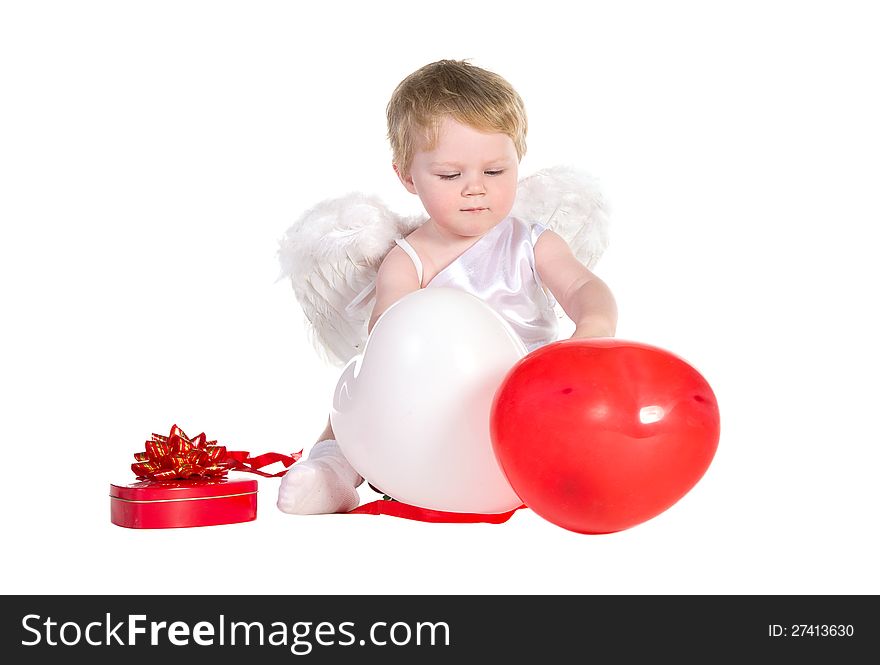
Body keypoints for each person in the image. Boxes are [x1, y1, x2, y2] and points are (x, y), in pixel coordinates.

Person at [277, 59, 618, 515]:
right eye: (450, 176)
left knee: (588, 419)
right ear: (407, 177)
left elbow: (583, 286)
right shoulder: (406, 259)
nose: (475, 189)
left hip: (521, 400)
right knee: (358, 396)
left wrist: (593, 324)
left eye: (495, 172)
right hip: (429, 407)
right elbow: (388, 340)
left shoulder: (533, 242)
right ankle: (332, 469)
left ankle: (570, 472)